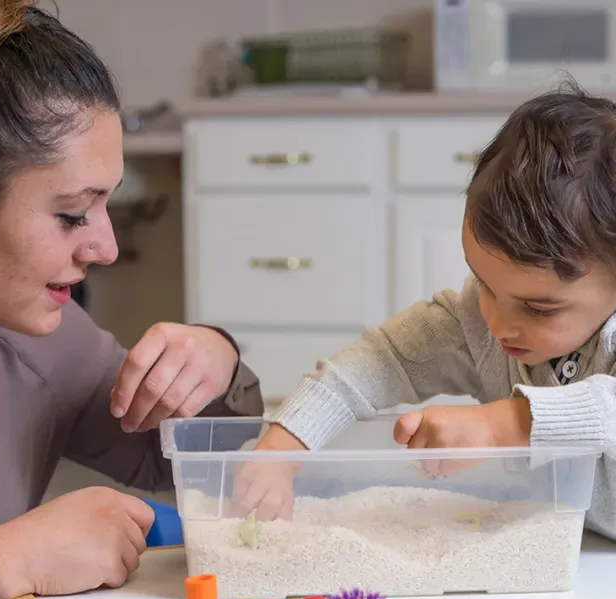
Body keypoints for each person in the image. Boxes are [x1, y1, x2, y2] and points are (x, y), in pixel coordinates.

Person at [0, 2, 263, 599]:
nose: (105, 248)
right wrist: (1, 564)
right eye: (72, 215)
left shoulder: (35, 340)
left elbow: (201, 466)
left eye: (107, 206)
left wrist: (216, 362)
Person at [233, 82, 616, 540]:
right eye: (487, 285)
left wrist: (503, 425)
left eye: (538, 308)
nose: (498, 322)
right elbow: (377, 362)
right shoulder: (474, 322)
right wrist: (284, 445)